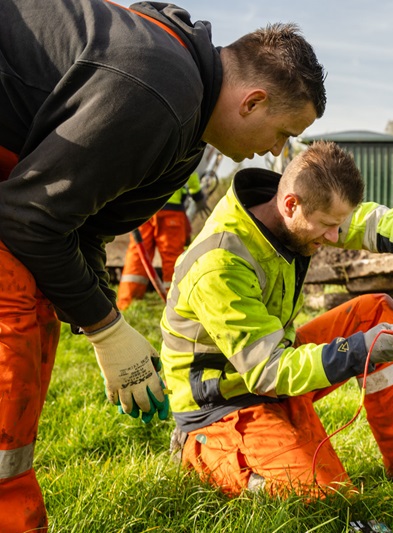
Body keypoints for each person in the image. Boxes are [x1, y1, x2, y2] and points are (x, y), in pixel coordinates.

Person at [0, 0, 326, 530]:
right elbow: (27, 219)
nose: (276, 154)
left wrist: (102, 319)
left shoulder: (185, 129)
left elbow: (81, 228)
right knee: (11, 324)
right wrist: (108, 332)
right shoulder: (157, 91)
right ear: (254, 101)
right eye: (283, 134)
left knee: (34, 305)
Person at [161, 141, 393, 498]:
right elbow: (267, 372)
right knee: (327, 496)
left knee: (374, 312)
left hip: (273, 360)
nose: (336, 237)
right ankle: (202, 452)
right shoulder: (221, 261)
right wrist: (359, 350)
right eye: (329, 227)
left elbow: (373, 219)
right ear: (291, 205)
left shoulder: (296, 213)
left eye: (338, 226)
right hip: (224, 401)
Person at [117, 170, 206, 310]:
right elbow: (191, 168)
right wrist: (198, 195)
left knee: (138, 255)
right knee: (172, 257)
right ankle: (177, 305)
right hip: (170, 206)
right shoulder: (181, 147)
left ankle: (127, 304)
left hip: (141, 206)